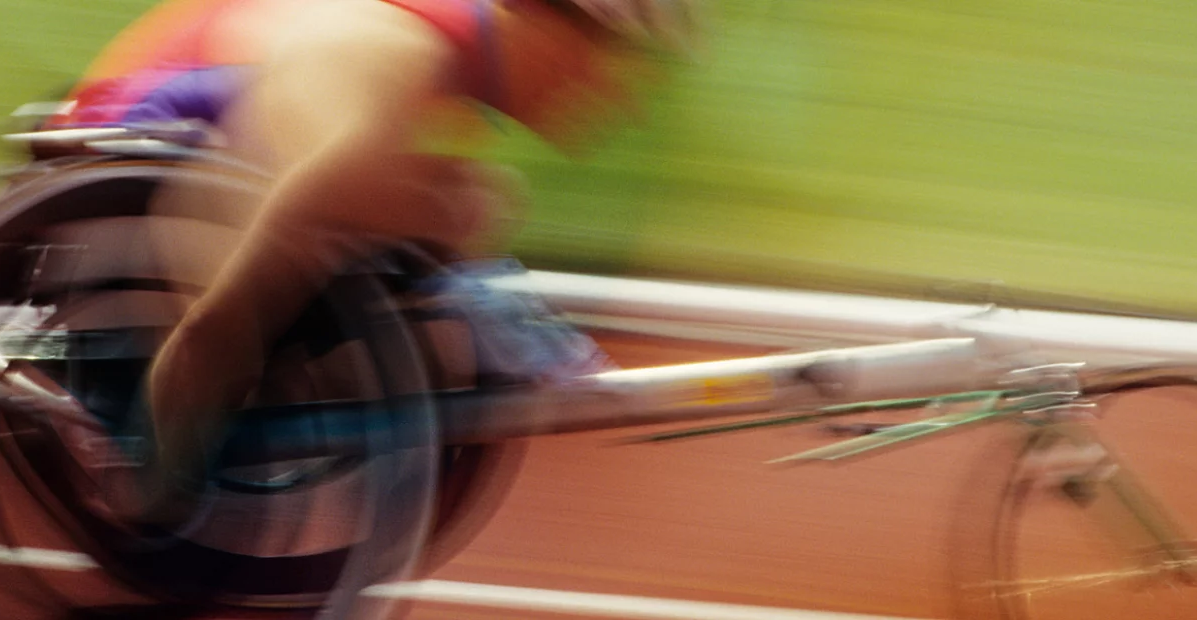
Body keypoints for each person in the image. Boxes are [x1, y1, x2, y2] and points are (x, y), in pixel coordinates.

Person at [40, 0, 701, 526]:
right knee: (424, 199)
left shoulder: (433, 58)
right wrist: (184, 405)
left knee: (461, 199)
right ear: (542, 22)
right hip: (124, 153)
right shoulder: (388, 46)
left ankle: (473, 314)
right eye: (608, 60)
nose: (615, 98)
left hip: (205, 153)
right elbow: (295, 220)